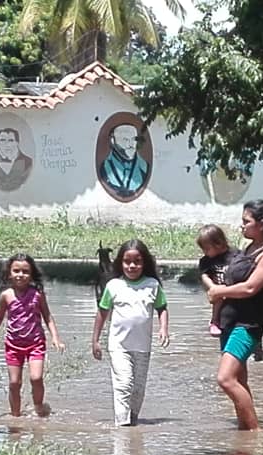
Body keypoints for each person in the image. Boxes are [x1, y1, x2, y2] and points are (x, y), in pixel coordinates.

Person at [206, 200, 263, 430]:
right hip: (229, 321)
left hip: (247, 324)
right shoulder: (248, 248)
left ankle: (254, 436)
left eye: (246, 221)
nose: (241, 226)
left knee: (225, 379)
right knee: (239, 380)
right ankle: (245, 434)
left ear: (261, 224)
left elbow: (251, 288)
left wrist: (220, 291)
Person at [91, 239, 170, 426]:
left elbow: (162, 308)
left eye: (137, 261)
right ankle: (122, 425)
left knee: (138, 389)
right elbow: (102, 313)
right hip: (119, 346)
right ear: (120, 263)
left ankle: (132, 420)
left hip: (143, 347)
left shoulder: (152, 285)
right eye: (127, 261)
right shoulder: (113, 286)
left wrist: (164, 329)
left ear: (145, 263)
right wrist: (95, 340)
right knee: (123, 384)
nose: (132, 266)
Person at [0, 253, 65, 418]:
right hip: (13, 345)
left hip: (35, 344)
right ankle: (15, 417)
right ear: (9, 273)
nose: (20, 275)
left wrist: (55, 338)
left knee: (36, 378)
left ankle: (38, 408)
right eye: (16, 271)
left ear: (31, 275)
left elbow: (47, 316)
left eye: (25, 271)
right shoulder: (6, 295)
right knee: (14, 383)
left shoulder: (37, 294)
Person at [196, 224, 240, 337]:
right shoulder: (206, 261)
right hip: (218, 289)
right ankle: (214, 321)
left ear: (219, 243)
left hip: (234, 288)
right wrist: (213, 287)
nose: (205, 252)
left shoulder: (236, 255)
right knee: (219, 298)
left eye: (207, 249)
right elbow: (204, 275)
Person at [99, 123, 149, 199]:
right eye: (125, 140)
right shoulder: (105, 167)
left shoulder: (144, 167)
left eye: (134, 139)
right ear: (113, 141)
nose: (131, 144)